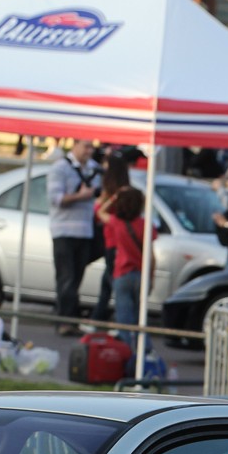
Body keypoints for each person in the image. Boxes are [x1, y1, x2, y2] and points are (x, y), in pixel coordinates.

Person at [47, 138, 101, 334]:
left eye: (92, 147)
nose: (90, 151)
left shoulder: (94, 168)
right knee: (66, 277)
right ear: (75, 145)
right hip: (64, 230)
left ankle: (68, 318)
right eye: (86, 146)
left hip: (85, 231)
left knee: (76, 278)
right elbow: (55, 199)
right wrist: (81, 196)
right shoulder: (60, 168)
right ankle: (64, 322)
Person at [101, 187, 156, 346]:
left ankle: (127, 353)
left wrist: (114, 197)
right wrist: (151, 277)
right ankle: (144, 352)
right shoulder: (145, 225)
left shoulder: (117, 223)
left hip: (122, 274)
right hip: (141, 275)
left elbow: (100, 212)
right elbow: (151, 257)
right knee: (141, 320)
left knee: (124, 319)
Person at [88, 152, 130, 324]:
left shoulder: (117, 194)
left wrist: (104, 200)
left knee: (112, 282)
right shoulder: (118, 192)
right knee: (107, 282)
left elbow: (99, 213)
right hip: (112, 241)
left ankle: (108, 318)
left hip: (114, 242)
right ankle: (98, 316)